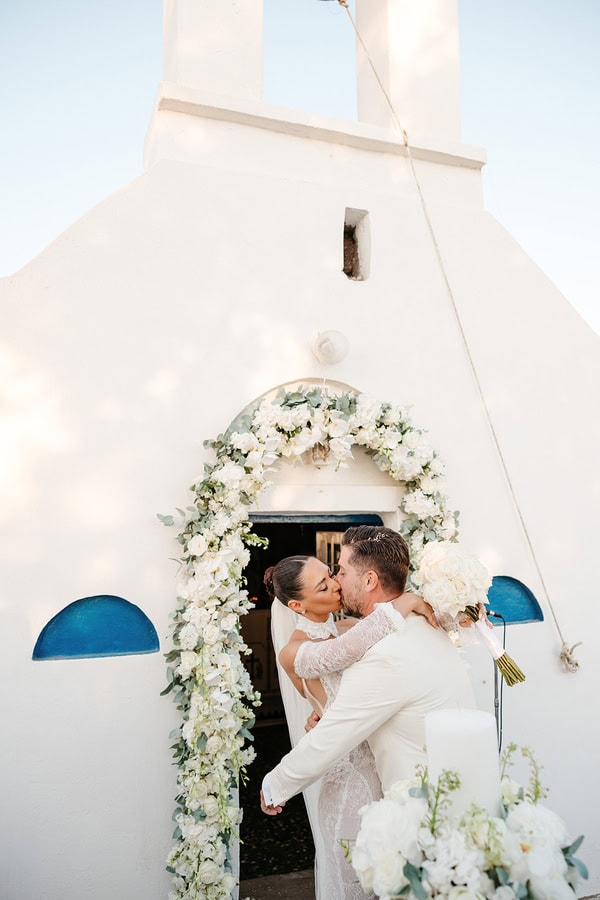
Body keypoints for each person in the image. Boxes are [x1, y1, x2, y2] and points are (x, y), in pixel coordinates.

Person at [261, 526, 476, 852]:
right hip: (458, 794)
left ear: (370, 580)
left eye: (342, 571)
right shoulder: (423, 624)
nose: (337, 581)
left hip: (424, 816)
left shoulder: (384, 653)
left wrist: (277, 783)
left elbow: (334, 734)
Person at [265, 551, 438, 900]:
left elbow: (387, 635)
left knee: (391, 880)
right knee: (357, 884)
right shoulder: (294, 650)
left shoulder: (347, 627)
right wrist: (408, 600)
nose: (336, 584)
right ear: (297, 607)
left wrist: (460, 614)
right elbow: (348, 650)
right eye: (323, 585)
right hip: (347, 786)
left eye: (331, 574)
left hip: (384, 773)